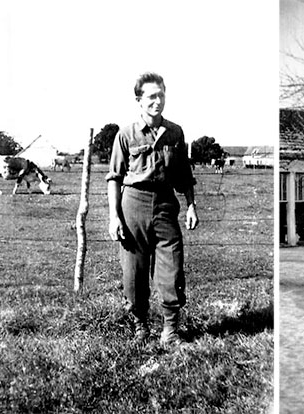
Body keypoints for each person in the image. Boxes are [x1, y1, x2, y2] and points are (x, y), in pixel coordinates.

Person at [106, 72, 198, 346]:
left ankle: (170, 330)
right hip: (133, 205)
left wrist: (192, 205)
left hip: (166, 206)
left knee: (172, 268)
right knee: (133, 272)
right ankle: (140, 325)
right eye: (151, 96)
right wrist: (114, 217)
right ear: (139, 100)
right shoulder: (126, 134)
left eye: (161, 95)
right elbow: (114, 177)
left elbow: (184, 175)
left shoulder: (175, 132)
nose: (157, 101)